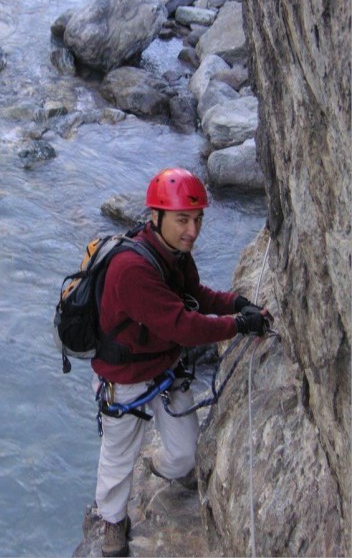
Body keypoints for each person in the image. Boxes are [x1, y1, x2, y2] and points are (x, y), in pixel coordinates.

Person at [91, 167, 272, 557]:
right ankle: (111, 521)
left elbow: (196, 296)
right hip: (125, 379)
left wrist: (237, 303)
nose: (193, 230)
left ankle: (157, 469)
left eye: (198, 219)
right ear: (156, 218)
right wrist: (238, 325)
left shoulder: (174, 253)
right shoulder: (132, 269)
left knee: (184, 455)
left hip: (164, 368)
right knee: (118, 456)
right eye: (183, 219)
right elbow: (183, 326)